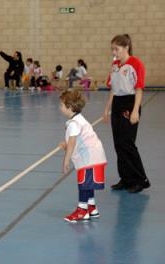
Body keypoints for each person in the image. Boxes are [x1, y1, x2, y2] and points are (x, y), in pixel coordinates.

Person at [103, 34, 150, 193]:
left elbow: (139, 89)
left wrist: (135, 110)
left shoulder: (136, 64)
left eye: (116, 48)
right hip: (117, 104)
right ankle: (126, 179)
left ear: (126, 47)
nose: (114, 52)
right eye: (112, 49)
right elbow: (113, 89)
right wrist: (107, 109)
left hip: (130, 104)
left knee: (128, 143)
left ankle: (141, 179)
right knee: (118, 144)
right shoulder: (115, 65)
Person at [59, 90, 107, 223]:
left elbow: (73, 142)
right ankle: (92, 208)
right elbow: (78, 140)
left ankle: (82, 211)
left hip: (89, 159)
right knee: (88, 184)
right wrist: (66, 145)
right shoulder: (79, 119)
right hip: (96, 156)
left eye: (62, 105)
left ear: (69, 107)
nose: (60, 107)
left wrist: (66, 160)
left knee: (84, 185)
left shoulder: (73, 124)